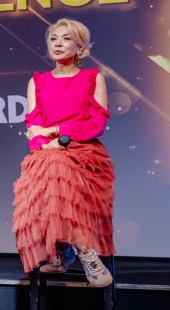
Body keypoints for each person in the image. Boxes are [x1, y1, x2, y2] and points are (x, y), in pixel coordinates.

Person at [11, 19, 115, 286]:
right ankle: (83, 251)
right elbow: (34, 128)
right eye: (53, 38)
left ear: (80, 47)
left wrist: (56, 131)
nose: (58, 44)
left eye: (66, 38)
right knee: (52, 165)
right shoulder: (38, 81)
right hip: (47, 153)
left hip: (85, 152)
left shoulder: (93, 77)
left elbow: (96, 125)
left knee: (55, 166)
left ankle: (62, 251)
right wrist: (46, 143)